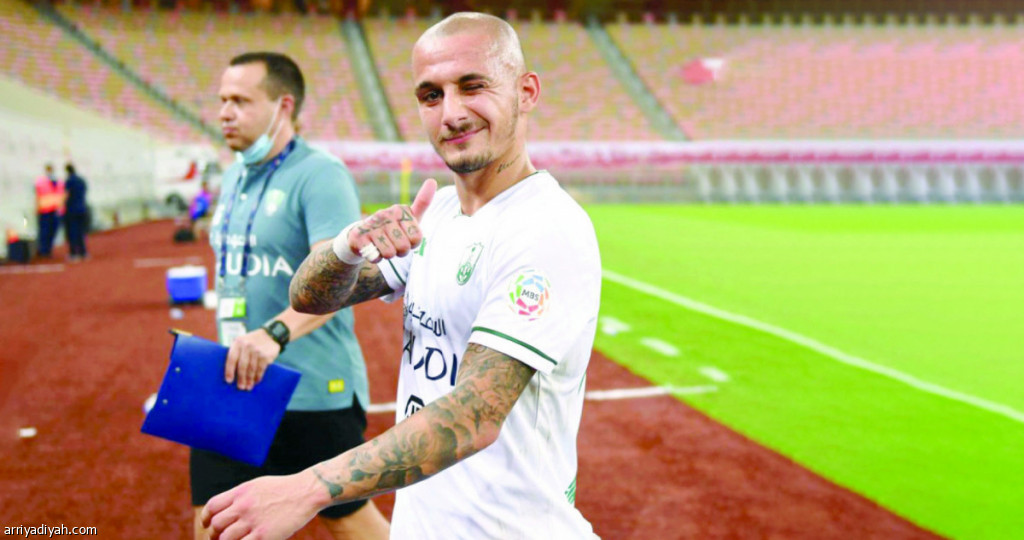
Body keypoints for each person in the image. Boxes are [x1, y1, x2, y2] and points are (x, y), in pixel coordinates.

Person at [203, 13, 601, 540]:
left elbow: (475, 414)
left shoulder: (545, 228)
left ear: (526, 92)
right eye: (431, 95)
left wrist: (307, 489)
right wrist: (346, 247)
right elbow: (309, 297)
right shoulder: (438, 214)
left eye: (472, 86)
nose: (451, 113)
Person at [193, 51, 389, 540]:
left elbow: (337, 281)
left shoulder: (320, 175)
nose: (224, 112)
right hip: (233, 379)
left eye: (240, 101)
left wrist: (274, 334)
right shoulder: (234, 176)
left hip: (311, 386)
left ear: (283, 106)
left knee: (349, 524)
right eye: (222, 100)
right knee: (214, 520)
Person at [34, 163, 64, 258]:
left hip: (55, 210)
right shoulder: (40, 181)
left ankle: (48, 249)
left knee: (52, 231)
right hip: (45, 210)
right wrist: (37, 208)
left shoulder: (59, 182)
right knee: (44, 231)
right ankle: (43, 250)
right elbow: (37, 196)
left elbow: (62, 196)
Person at [63, 163, 89, 261]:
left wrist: (61, 205)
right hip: (82, 208)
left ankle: (74, 253)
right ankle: (83, 252)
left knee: (72, 232)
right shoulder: (81, 180)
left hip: (72, 210)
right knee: (81, 231)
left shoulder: (69, 181)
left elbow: (66, 195)